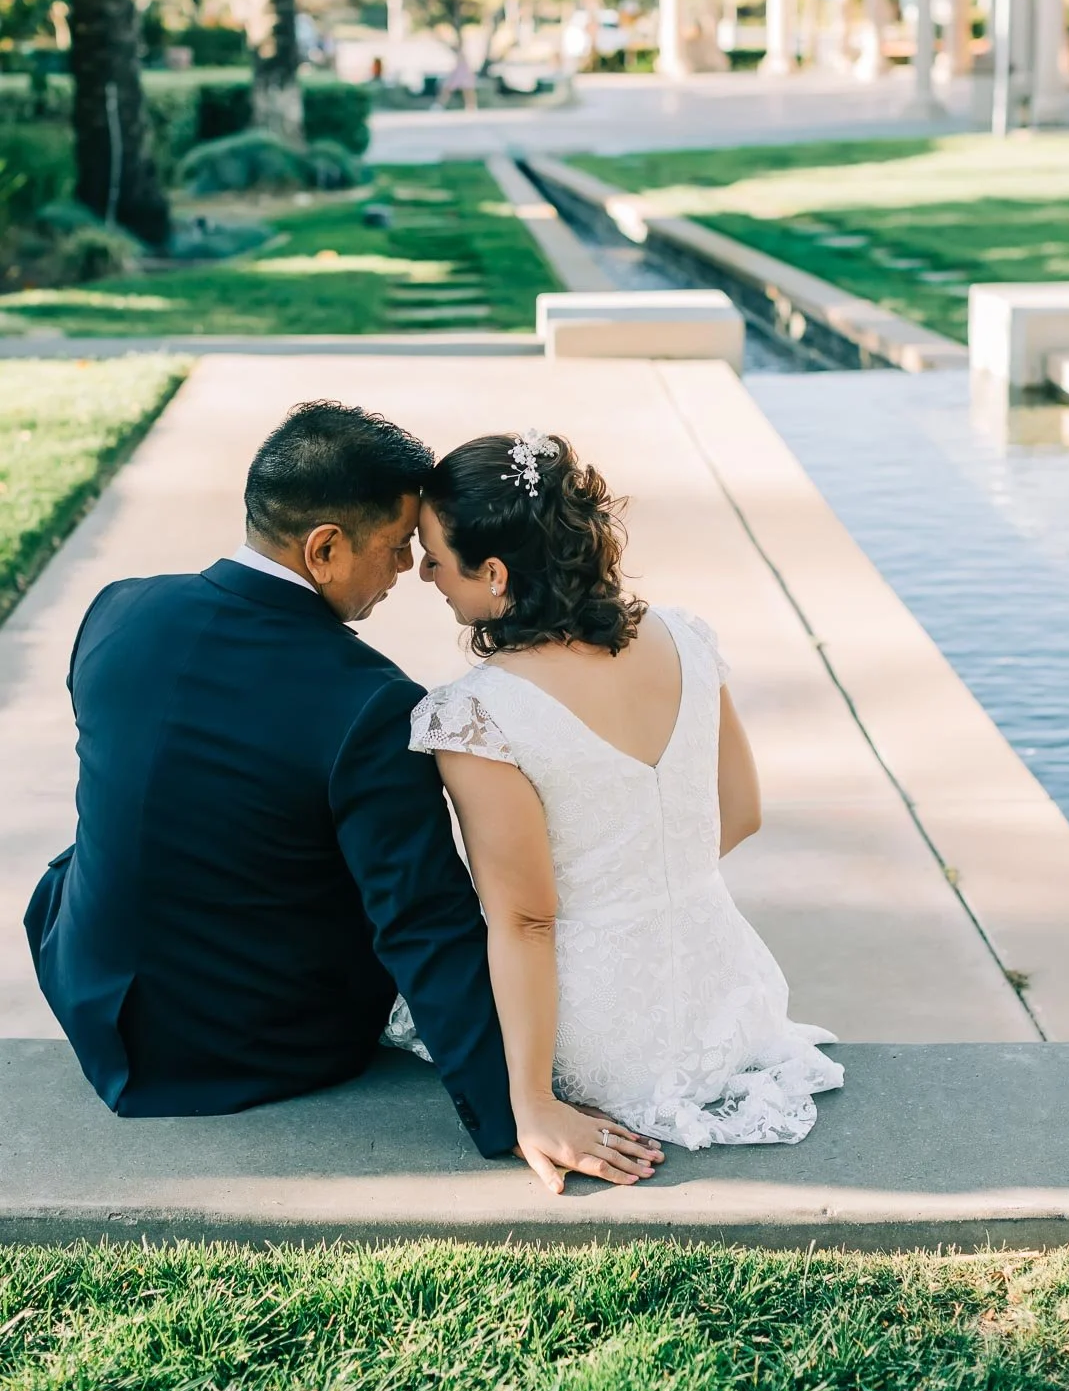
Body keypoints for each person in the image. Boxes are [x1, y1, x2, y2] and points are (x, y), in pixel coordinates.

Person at [24, 402, 661, 1188]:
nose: (409, 572)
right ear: (324, 548)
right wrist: (518, 1110)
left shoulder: (117, 609)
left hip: (92, 992)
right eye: (397, 549)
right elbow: (422, 922)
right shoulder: (369, 703)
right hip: (255, 1045)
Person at [389, 430, 843, 1190]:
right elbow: (741, 812)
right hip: (726, 993)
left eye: (433, 554)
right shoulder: (685, 637)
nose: (424, 573)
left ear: (494, 574)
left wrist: (531, 1104)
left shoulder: (476, 715)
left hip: (597, 1030)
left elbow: (525, 921)